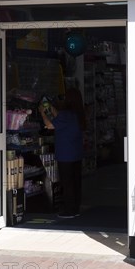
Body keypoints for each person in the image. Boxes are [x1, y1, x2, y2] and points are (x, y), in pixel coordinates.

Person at [39, 88, 86, 219]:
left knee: (67, 183)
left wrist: (43, 113)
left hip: (66, 154)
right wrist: (51, 108)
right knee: (76, 182)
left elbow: (50, 125)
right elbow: (58, 116)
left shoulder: (66, 115)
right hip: (76, 153)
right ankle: (75, 208)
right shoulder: (77, 114)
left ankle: (69, 210)